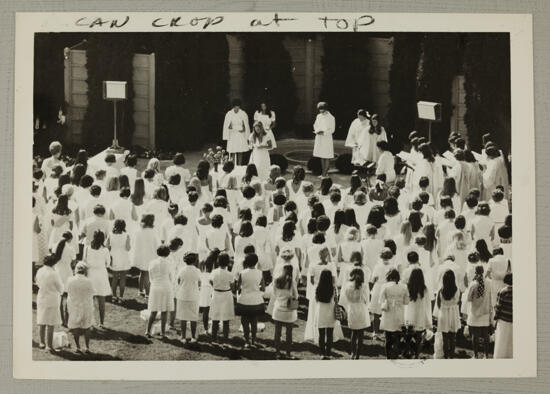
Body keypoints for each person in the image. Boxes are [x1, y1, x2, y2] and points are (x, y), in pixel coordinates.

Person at [235, 253, 265, 348]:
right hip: (256, 300)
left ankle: (247, 341)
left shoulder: (242, 273)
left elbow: (238, 287)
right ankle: (253, 340)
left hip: (244, 300)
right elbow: (263, 288)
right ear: (256, 262)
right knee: (254, 321)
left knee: (244, 321)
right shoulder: (260, 273)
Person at [340, 267, 370, 359]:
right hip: (361, 310)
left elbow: (346, 298)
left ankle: (352, 352)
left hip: (352, 309)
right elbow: (366, 300)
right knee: (360, 334)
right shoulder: (364, 286)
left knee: (353, 333)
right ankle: (357, 354)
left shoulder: (347, 285)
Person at [83, 230, 111, 328]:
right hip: (101, 276)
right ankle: (102, 323)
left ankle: (90, 322)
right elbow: (108, 264)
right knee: (101, 301)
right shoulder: (105, 250)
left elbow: (84, 262)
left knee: (90, 301)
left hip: (90, 275)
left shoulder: (86, 248)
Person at [35, 254, 63, 351]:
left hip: (41, 297)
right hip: (52, 299)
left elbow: (37, 282)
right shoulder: (54, 273)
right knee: (51, 323)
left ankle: (42, 342)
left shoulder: (39, 271)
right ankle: (49, 346)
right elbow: (60, 288)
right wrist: (61, 291)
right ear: (53, 263)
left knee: (42, 321)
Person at [379, 268, 409, 359]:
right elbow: (406, 302)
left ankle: (388, 356)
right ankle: (395, 354)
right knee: (397, 336)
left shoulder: (385, 286)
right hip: (399, 313)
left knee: (388, 336)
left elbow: (380, 300)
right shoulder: (404, 286)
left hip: (388, 312)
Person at [146, 245, 175, 339]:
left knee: (153, 311)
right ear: (167, 253)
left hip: (155, 286)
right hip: (166, 286)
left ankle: (148, 331)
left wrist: (154, 282)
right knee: (164, 311)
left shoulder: (152, 262)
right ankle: (162, 333)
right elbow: (171, 277)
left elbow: (150, 277)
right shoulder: (169, 263)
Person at [66, 262, 94, 353]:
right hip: (86, 306)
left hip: (74, 306)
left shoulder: (70, 280)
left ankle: (78, 347)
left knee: (75, 327)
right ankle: (87, 347)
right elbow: (92, 293)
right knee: (87, 326)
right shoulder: (89, 281)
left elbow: (68, 291)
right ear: (85, 271)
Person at [272, 263, 299, 359]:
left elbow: (274, 294)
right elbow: (296, 296)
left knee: (277, 333)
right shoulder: (292, 282)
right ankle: (288, 353)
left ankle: (278, 353)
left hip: (278, 309)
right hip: (289, 312)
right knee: (289, 334)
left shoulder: (276, 280)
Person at [404, 268, 432, 358]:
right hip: (420, 314)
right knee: (418, 337)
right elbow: (428, 303)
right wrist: (427, 317)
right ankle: (416, 354)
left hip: (410, 313)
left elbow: (404, 301)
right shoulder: (424, 289)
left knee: (408, 335)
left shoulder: (407, 287)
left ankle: (407, 350)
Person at [466, 265, 493, 359]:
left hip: (475, 312)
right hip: (485, 311)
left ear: (475, 272)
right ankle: (486, 355)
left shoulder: (473, 284)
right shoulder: (489, 283)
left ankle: (476, 355)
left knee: (475, 335)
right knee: (486, 335)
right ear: (483, 271)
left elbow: (468, 299)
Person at [175, 252, 201, 344]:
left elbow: (178, 281)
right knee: (193, 317)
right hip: (194, 296)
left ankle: (183, 337)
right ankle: (193, 337)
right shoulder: (197, 271)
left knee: (183, 317)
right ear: (195, 261)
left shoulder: (182, 270)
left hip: (183, 295)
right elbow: (199, 283)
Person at [131, 214, 159, 297]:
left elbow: (134, 243)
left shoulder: (138, 231)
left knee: (142, 273)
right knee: (147, 274)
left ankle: (140, 290)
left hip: (140, 255)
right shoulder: (153, 232)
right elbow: (156, 244)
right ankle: (147, 292)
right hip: (150, 254)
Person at [209, 252, 235, 342]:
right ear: (228, 262)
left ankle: (214, 338)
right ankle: (225, 338)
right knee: (225, 319)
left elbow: (210, 281)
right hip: (226, 295)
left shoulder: (214, 272)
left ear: (218, 261)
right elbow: (232, 287)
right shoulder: (230, 274)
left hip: (216, 294)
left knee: (215, 318)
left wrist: (216, 286)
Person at [53, 231, 76, 327]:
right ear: (70, 239)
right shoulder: (71, 248)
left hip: (58, 272)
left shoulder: (55, 246)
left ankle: (61, 320)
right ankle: (67, 319)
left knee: (60, 298)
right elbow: (74, 261)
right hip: (67, 273)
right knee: (68, 298)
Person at [436, 270, 461, 358]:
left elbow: (438, 304)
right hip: (453, 313)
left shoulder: (441, 291)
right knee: (453, 336)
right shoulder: (457, 290)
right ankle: (452, 355)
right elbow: (457, 301)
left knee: (445, 337)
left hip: (443, 313)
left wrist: (444, 307)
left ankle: (446, 355)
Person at [107, 219, 131, 302]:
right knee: (123, 278)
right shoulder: (126, 235)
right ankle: (121, 297)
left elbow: (107, 247)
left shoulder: (110, 235)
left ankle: (114, 296)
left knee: (115, 278)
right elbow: (128, 248)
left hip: (114, 257)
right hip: (124, 257)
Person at [223, 99, 250, 165]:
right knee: (232, 151)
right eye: (235, 106)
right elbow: (227, 126)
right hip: (232, 134)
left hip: (240, 135)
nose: (237, 108)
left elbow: (245, 125)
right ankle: (232, 166)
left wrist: (243, 129)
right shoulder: (229, 114)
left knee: (240, 151)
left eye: (238, 106)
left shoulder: (243, 113)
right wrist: (232, 128)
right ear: (233, 107)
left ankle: (239, 166)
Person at [313, 102, 336, 178]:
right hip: (319, 138)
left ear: (326, 109)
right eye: (319, 110)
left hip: (327, 139)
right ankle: (323, 173)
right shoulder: (319, 116)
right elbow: (315, 125)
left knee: (327, 156)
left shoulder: (331, 118)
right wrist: (317, 130)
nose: (320, 111)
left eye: (322, 110)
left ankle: (325, 174)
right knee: (322, 156)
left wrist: (324, 132)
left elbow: (332, 130)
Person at [493, 273, 513, 358]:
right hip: (512, 320)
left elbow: (498, 307)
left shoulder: (503, 291)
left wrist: (495, 318)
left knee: (501, 341)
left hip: (503, 320)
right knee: (510, 341)